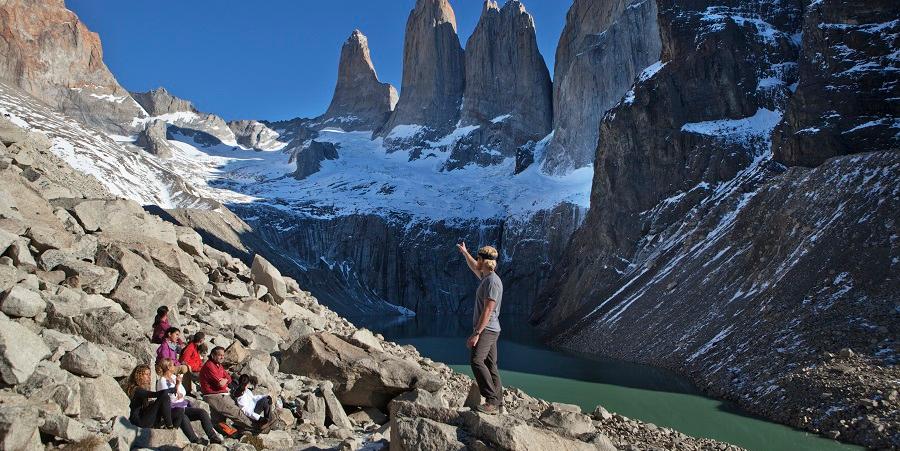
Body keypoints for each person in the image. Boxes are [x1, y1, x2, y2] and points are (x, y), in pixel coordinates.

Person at [456, 242, 504, 415]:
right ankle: (498, 403)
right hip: (492, 329)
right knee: (491, 365)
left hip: (487, 329)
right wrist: (465, 253)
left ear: (484, 261)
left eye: (478, 258)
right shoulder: (487, 277)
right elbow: (473, 267)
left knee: (476, 360)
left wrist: (477, 333)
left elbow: (488, 309)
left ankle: (491, 401)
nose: (477, 261)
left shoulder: (492, 282)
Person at [123, 364, 207, 445]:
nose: (149, 377)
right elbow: (154, 394)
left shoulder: (143, 388)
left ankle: (193, 439)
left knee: (180, 411)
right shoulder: (136, 389)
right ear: (139, 375)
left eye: (149, 374)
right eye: (146, 374)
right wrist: (170, 390)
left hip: (148, 418)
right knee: (164, 397)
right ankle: (169, 427)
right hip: (140, 422)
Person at [156, 358, 223, 444]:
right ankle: (195, 440)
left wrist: (179, 387)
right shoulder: (162, 381)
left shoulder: (173, 377)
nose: (175, 366)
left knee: (202, 412)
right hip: (171, 410)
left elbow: (181, 393)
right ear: (168, 367)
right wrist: (177, 385)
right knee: (184, 417)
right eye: (173, 365)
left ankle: (213, 437)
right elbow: (167, 399)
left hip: (181, 406)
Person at [199, 346, 255, 431]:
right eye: (219, 355)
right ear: (213, 355)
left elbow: (229, 378)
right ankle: (254, 426)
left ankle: (246, 426)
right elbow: (220, 384)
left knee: (242, 405)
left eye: (223, 355)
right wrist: (225, 381)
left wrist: (225, 380)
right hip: (213, 395)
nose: (222, 357)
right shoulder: (209, 366)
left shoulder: (218, 365)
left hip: (222, 393)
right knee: (235, 411)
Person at [156, 327, 193, 395]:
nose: (177, 337)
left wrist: (178, 363)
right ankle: (187, 390)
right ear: (169, 334)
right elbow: (166, 360)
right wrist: (177, 364)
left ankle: (185, 389)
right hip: (166, 367)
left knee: (187, 366)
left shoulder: (171, 345)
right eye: (176, 334)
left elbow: (175, 359)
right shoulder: (165, 346)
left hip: (171, 365)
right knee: (185, 368)